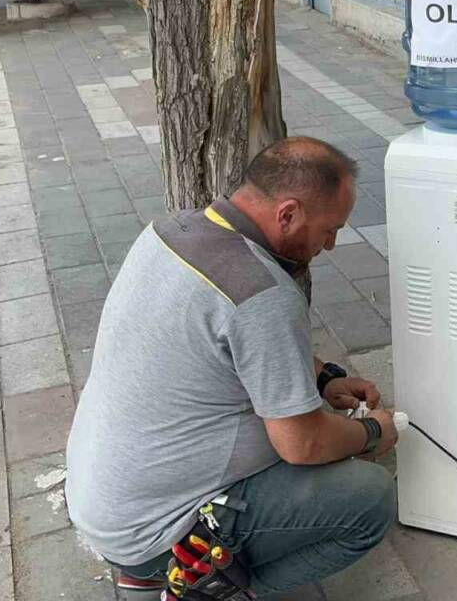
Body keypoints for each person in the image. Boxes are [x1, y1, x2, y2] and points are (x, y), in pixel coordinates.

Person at [65, 137, 399, 599]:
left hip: (106, 501)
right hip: (157, 527)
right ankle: (200, 588)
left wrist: (324, 378)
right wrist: (375, 433)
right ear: (287, 214)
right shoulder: (262, 294)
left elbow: (234, 342)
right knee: (370, 499)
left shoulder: (171, 230)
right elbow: (304, 444)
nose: (332, 244)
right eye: (328, 229)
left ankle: (152, 570)